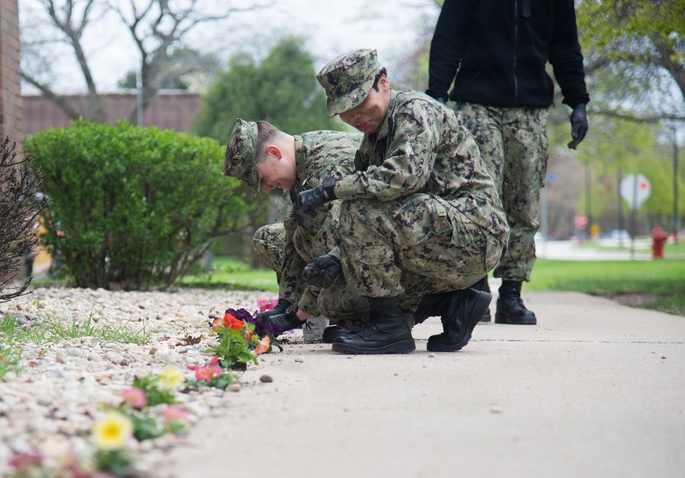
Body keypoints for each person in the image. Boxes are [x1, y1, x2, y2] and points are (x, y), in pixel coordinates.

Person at [297, 49, 509, 355]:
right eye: (345, 109)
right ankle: (456, 304)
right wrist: (334, 256)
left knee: (359, 207)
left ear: (383, 83)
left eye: (359, 102)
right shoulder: (372, 140)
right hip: (435, 236)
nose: (354, 116)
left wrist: (327, 190)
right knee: (340, 296)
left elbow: (403, 178)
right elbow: (364, 220)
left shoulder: (414, 111)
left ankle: (390, 329)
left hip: (475, 232)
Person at [426, 0, 590, 325]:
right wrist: (438, 95)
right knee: (477, 200)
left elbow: (565, 47)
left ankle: (511, 295)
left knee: (524, 203)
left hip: (529, 109)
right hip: (477, 105)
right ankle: (475, 289)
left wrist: (578, 101)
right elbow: (448, 38)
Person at [223, 118, 374, 340]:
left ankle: (369, 317)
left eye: (262, 179)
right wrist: (285, 304)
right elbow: (292, 242)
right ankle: (327, 307)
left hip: (391, 261)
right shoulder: (300, 163)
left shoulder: (325, 167)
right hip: (362, 251)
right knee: (269, 238)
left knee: (325, 277)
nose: (265, 189)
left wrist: (298, 315)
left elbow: (334, 249)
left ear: (274, 153)